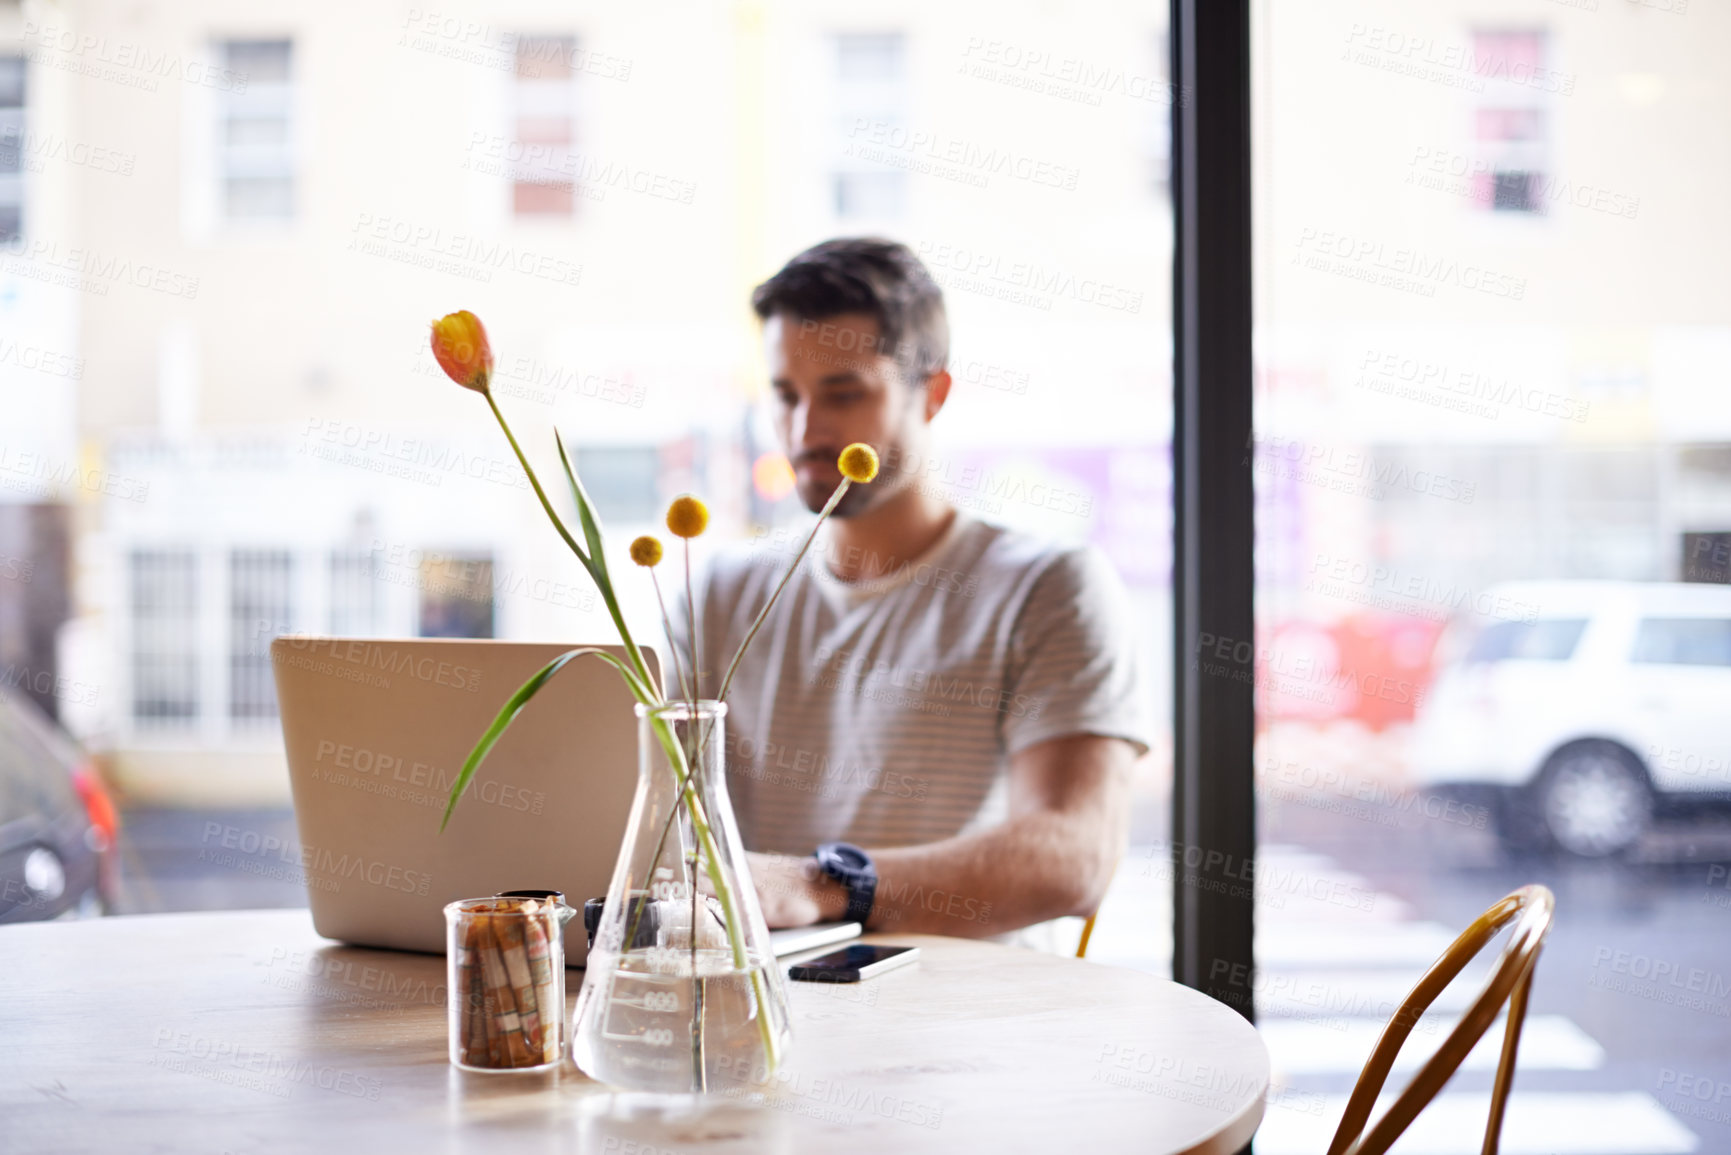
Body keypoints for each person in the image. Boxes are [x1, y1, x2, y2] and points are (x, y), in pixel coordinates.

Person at [679, 237, 1155, 944]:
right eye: (784, 395)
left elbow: (1073, 854)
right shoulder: (715, 592)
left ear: (931, 394)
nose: (805, 429)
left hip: (972, 1033)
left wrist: (820, 885)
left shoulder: (1047, 587)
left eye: (844, 392)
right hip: (758, 1024)